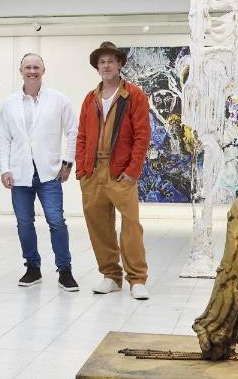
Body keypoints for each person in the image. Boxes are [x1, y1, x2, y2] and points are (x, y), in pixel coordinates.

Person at [0, 53, 80, 291]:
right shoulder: (9, 104)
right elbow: (3, 139)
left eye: (36, 67)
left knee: (57, 222)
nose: (32, 71)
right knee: (24, 223)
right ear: (21, 71)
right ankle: (32, 268)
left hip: (49, 173)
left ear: (43, 70)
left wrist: (68, 162)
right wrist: (4, 169)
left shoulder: (58, 99)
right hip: (20, 173)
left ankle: (65, 271)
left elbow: (73, 132)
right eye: (28, 67)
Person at [76, 41, 151, 299]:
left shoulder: (134, 95)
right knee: (99, 226)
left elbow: (142, 136)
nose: (106, 65)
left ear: (120, 64)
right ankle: (110, 275)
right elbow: (82, 135)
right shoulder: (90, 98)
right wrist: (82, 169)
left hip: (121, 172)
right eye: (102, 62)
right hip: (93, 172)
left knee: (131, 226)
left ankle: (137, 279)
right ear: (97, 67)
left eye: (110, 61)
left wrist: (133, 170)